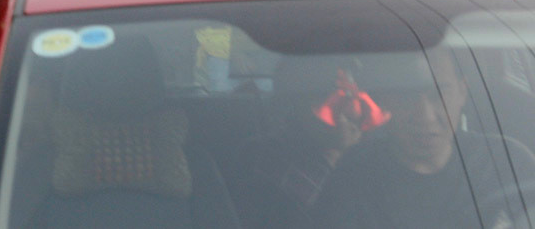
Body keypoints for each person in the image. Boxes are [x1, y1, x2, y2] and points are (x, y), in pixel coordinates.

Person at [310, 47, 535, 228]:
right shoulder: (353, 177)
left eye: (438, 94)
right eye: (407, 96)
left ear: (462, 92)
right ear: (384, 100)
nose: (425, 116)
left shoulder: (509, 163)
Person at [229, 57, 385, 228]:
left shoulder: (379, 154)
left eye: (347, 96)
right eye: (326, 97)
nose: (340, 107)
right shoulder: (262, 157)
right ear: (297, 101)